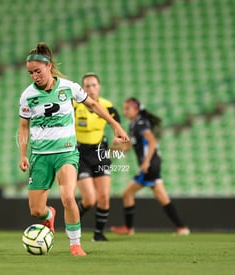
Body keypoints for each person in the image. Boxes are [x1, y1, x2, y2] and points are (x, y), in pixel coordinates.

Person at [18, 42, 129, 256]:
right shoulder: (27, 96)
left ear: (49, 66)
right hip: (40, 156)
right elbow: (24, 126)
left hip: (66, 153)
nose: (34, 76)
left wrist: (115, 125)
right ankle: (49, 216)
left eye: (37, 71)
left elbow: (94, 106)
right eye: (30, 73)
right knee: (36, 210)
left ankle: (75, 244)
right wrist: (23, 154)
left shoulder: (69, 87)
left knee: (68, 197)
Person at [110, 97, 190, 236]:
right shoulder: (134, 125)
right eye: (124, 108)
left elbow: (152, 142)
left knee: (127, 194)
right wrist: (111, 148)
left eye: (127, 108)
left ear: (136, 109)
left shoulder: (141, 123)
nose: (125, 111)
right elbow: (128, 146)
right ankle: (182, 228)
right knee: (162, 197)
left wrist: (146, 162)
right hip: (153, 164)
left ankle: (129, 228)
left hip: (150, 165)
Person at [74, 73, 121, 241]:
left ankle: (98, 234)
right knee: (89, 199)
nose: (91, 89)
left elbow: (117, 126)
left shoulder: (107, 106)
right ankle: (73, 221)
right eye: (87, 86)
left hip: (100, 153)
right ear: (82, 89)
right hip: (80, 155)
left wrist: (118, 138)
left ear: (99, 87)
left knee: (104, 197)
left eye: (94, 85)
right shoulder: (74, 105)